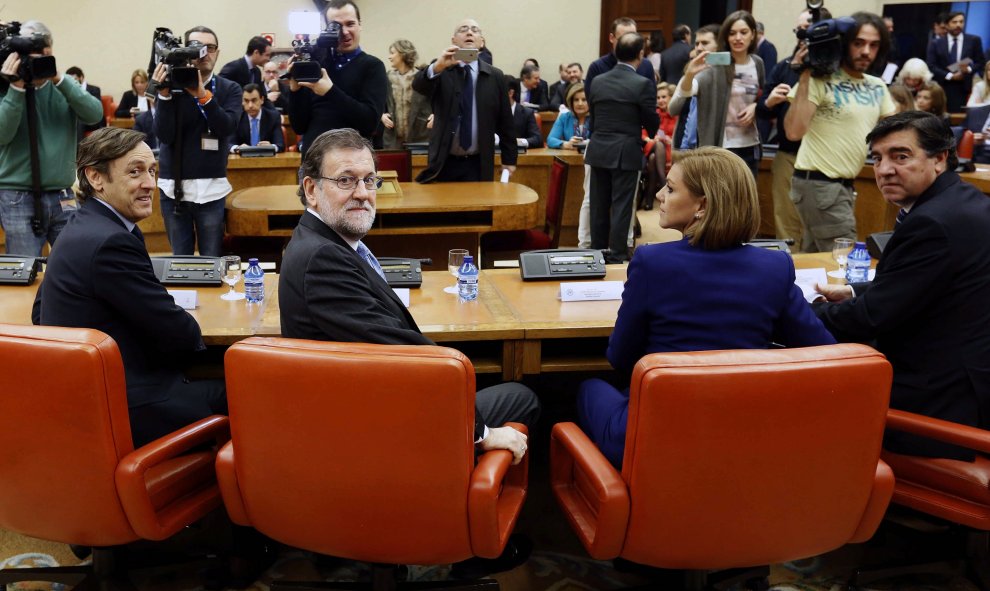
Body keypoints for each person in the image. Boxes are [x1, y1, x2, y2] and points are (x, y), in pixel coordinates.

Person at [279, 126, 540, 457]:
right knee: (523, 395)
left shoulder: (320, 241)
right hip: (372, 427)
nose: (362, 192)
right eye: (346, 180)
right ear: (311, 189)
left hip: (364, 400)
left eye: (370, 180)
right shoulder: (322, 259)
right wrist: (481, 433)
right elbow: (410, 358)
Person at [579, 147, 836, 467]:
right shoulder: (775, 266)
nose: (659, 194)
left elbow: (620, 358)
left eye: (670, 189)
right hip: (743, 436)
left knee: (586, 387)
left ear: (702, 205)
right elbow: (824, 350)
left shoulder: (651, 262)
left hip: (655, 437)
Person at [32, 127, 226, 448]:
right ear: (96, 177)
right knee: (250, 391)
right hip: (127, 405)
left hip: (83, 398)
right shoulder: (110, 240)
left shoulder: (80, 226)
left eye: (152, 171)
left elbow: (39, 314)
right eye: (135, 172)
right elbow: (180, 334)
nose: (150, 183)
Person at [813, 112, 990, 461]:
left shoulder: (933, 222)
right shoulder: (966, 201)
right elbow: (930, 285)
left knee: (806, 400)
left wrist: (796, 309)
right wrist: (852, 291)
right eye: (877, 158)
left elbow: (869, 319)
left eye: (900, 156)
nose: (883, 170)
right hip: (969, 382)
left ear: (939, 158)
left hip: (938, 406)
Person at [785, 11, 895, 253]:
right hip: (819, 182)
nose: (866, 51)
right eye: (858, 43)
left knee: (817, 260)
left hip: (843, 185)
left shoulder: (876, 86)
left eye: (873, 45)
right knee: (844, 259)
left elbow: (895, 132)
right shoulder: (819, 80)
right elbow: (794, 131)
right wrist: (804, 74)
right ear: (844, 43)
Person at [0, 20, 103, 256]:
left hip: (61, 194)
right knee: (26, 269)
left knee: (76, 264)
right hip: (16, 195)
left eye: (43, 53)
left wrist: (59, 78)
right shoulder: (4, 88)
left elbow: (94, 114)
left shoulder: (63, 86)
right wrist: (16, 87)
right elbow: (3, 134)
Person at [152, 25, 241, 257]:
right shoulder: (172, 87)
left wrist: (203, 96)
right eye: (196, 48)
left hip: (212, 188)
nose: (203, 53)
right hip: (174, 190)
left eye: (209, 48)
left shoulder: (229, 88)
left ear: (217, 52)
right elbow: (164, 135)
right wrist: (163, 95)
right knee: (180, 262)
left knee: (212, 261)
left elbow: (226, 128)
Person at [413, 17, 516, 183]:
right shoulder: (442, 69)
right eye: (463, 29)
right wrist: (438, 66)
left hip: (478, 163)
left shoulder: (495, 76)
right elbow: (419, 86)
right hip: (444, 162)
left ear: (481, 42)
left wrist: (509, 160)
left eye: (475, 30)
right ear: (454, 40)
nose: (469, 32)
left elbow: (506, 123)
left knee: (479, 208)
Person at [585, 32, 658, 264]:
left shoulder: (598, 81)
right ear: (640, 55)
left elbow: (593, 119)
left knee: (598, 206)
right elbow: (650, 120)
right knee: (622, 206)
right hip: (626, 151)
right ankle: (616, 255)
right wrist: (652, 132)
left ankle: (596, 253)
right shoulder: (642, 84)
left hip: (598, 149)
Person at [756, 8, 825, 251]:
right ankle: (790, 269)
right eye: (799, 31)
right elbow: (763, 111)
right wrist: (770, 101)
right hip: (788, 154)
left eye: (806, 30)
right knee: (785, 220)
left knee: (816, 224)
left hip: (822, 159)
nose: (802, 36)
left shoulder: (834, 70)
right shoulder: (785, 65)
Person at [669, 11, 764, 178]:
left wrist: (756, 106)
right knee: (722, 201)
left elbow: (762, 95)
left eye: (744, 32)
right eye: (732, 33)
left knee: (747, 201)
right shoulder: (714, 68)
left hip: (750, 145)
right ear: (726, 37)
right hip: (722, 148)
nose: (738, 38)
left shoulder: (757, 63)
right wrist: (690, 74)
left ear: (753, 34)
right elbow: (681, 99)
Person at [288, 0, 387, 151]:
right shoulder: (315, 62)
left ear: (360, 25)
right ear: (327, 29)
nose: (344, 31)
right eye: (336, 26)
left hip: (353, 160)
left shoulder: (373, 66)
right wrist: (295, 90)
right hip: (315, 160)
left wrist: (330, 91)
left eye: (350, 24)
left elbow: (369, 123)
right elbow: (299, 126)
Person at [927, 11, 985, 112]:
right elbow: (931, 65)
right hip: (942, 86)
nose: (958, 25)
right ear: (947, 24)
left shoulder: (974, 40)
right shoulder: (936, 43)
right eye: (954, 22)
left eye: (961, 22)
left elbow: (980, 62)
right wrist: (950, 76)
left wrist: (969, 69)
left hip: (964, 87)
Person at [587, 17, 656, 98]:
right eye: (622, 39)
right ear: (611, 38)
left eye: (632, 38)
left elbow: (651, 98)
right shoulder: (597, 67)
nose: (628, 43)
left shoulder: (646, 65)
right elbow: (592, 101)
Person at [381, 39, 430, 149]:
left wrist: (434, 114)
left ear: (403, 54)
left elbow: (437, 100)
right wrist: (381, 116)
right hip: (393, 139)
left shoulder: (422, 77)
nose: (389, 57)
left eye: (392, 53)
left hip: (420, 136)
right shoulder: (387, 78)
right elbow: (377, 101)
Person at [640, 82, 677, 210]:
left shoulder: (677, 114)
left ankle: (650, 197)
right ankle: (664, 183)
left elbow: (680, 136)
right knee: (658, 145)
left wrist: (670, 140)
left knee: (652, 159)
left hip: (671, 149)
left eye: (664, 97)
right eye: (658, 97)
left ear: (671, 97)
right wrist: (650, 139)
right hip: (653, 146)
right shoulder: (654, 114)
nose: (660, 100)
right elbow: (642, 132)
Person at [230, 83, 285, 153]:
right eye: (246, 101)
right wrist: (237, 148)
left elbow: (280, 145)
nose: (250, 105)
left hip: (267, 160)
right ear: (242, 102)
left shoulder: (273, 117)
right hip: (243, 160)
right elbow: (229, 144)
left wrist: (271, 147)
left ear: (261, 100)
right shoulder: (236, 118)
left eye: (254, 100)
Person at [545, 82, 589, 150]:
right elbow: (550, 140)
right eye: (576, 100)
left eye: (584, 100)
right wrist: (566, 144)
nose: (580, 104)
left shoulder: (597, 118)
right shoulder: (564, 117)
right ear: (571, 102)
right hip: (570, 157)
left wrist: (589, 143)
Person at [65, 66, 106, 136]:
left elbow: (95, 110)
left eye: (75, 79)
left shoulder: (94, 89)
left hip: (93, 120)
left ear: (81, 77)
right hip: (75, 119)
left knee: (79, 121)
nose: (72, 82)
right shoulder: (67, 90)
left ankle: (78, 146)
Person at [505, 76, 541, 148]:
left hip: (520, 155)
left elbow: (537, 139)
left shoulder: (527, 113)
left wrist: (519, 142)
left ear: (510, 93)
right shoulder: (491, 112)